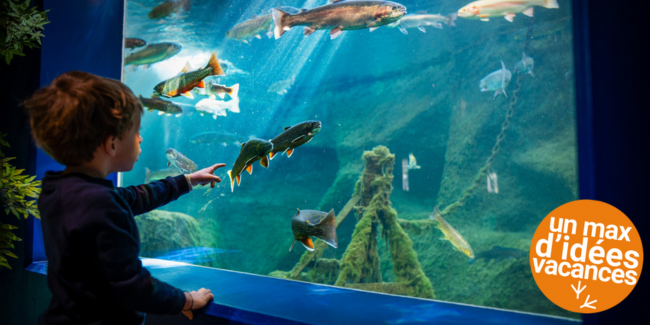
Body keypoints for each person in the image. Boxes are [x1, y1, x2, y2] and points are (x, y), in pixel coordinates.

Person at [24, 71, 221, 324]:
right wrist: (186, 300)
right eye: (136, 131)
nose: (141, 138)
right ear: (112, 144)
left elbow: (132, 197)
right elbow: (132, 285)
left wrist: (186, 180)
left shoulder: (60, 191)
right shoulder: (100, 203)